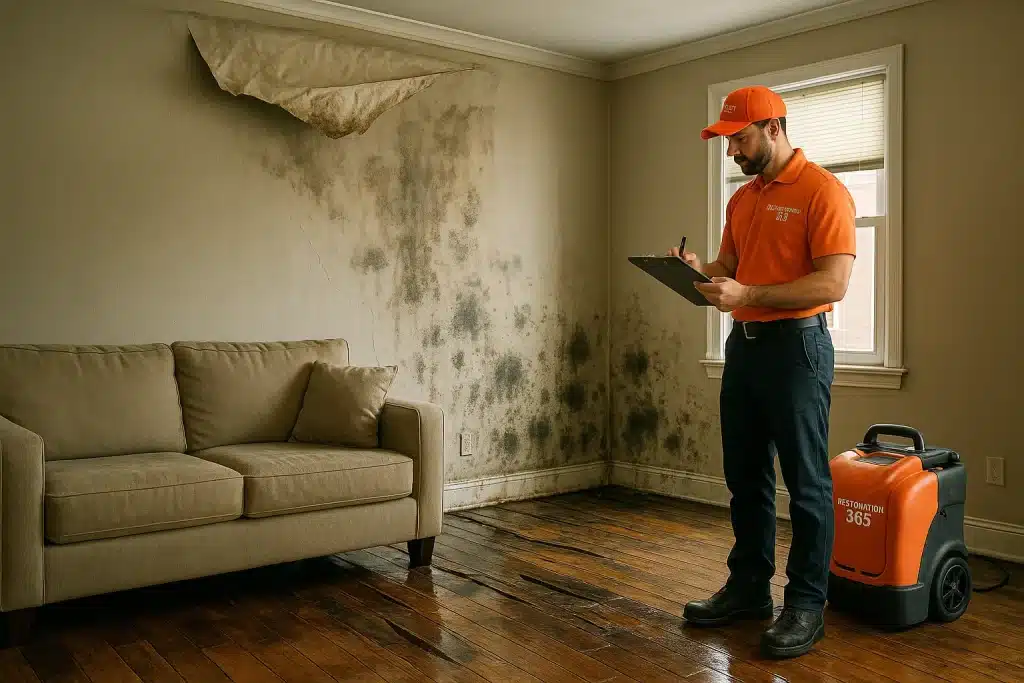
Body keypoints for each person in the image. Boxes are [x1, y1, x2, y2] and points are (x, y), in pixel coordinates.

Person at [668, 85, 856, 659]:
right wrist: (699, 270)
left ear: (773, 128)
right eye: (727, 142)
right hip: (744, 348)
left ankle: (805, 604)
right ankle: (750, 589)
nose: (732, 153)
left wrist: (747, 290)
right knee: (745, 477)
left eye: (739, 139)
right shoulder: (742, 200)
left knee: (806, 484)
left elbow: (833, 284)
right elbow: (732, 269)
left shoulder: (823, 191)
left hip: (798, 350)